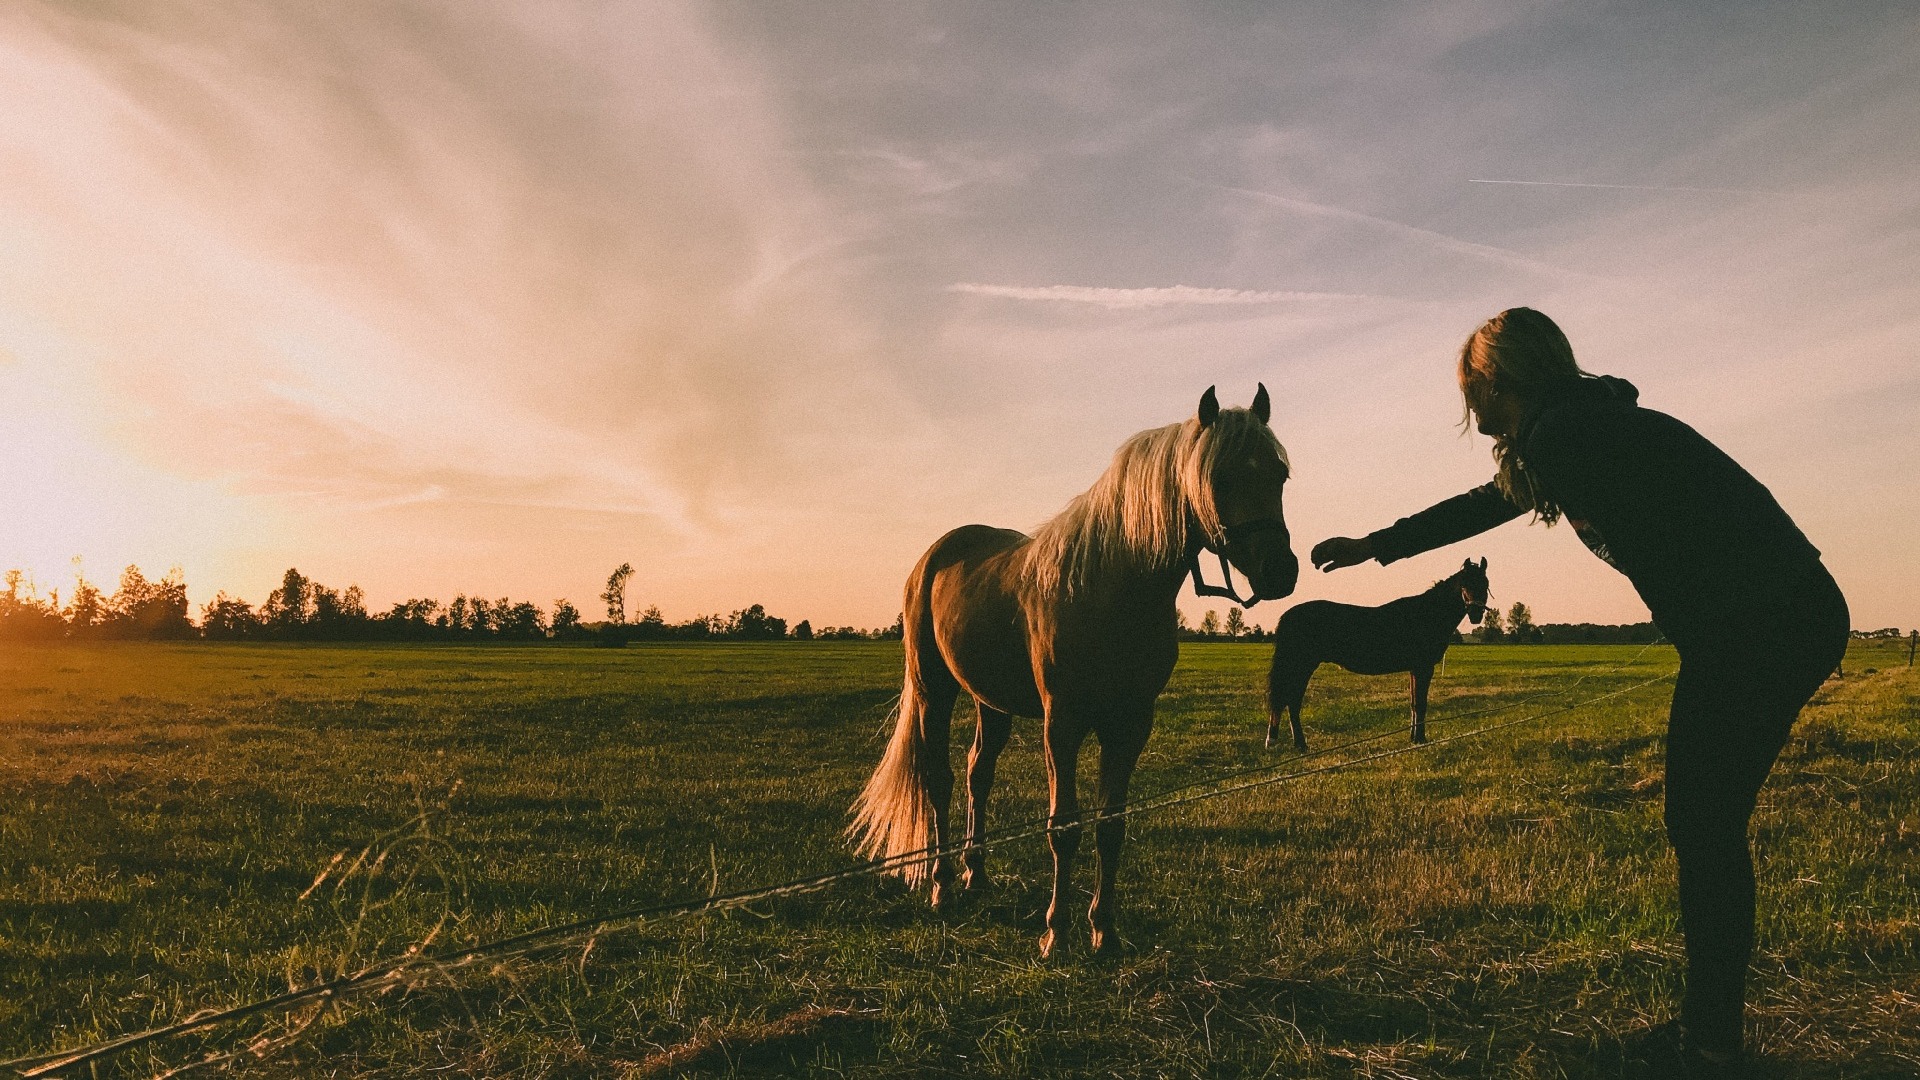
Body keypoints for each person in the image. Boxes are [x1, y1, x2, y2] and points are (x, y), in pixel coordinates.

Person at [1312, 308, 1848, 1077]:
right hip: (1778, 614)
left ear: (1498, 380)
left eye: (1473, 388)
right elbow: (1491, 502)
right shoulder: (1579, 427)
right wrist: (1381, 546)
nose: (1470, 408)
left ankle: (1712, 1047)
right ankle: (1711, 1037)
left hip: (1763, 623)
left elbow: (1523, 504)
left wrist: (1706, 632)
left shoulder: (1569, 435)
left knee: (1702, 822)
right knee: (1705, 823)